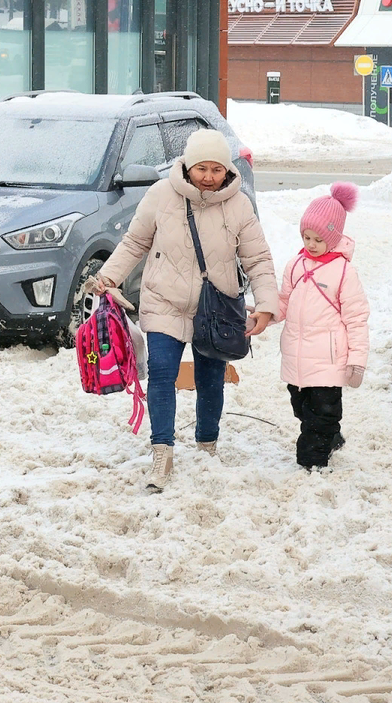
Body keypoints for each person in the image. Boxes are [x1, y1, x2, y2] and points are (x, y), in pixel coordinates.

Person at [88, 129, 279, 492]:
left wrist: (267, 306)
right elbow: (135, 242)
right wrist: (108, 277)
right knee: (161, 375)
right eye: (202, 168)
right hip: (164, 301)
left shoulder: (239, 206)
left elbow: (257, 259)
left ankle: (207, 444)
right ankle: (162, 452)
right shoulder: (161, 194)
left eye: (217, 169)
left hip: (216, 309)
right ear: (188, 166)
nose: (208, 176)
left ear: (227, 170)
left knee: (210, 380)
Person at [278, 181, 370, 470]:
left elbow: (356, 319)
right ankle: (329, 435)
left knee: (322, 413)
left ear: (332, 237)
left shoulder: (344, 272)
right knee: (302, 408)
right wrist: (263, 315)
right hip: (296, 357)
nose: (311, 244)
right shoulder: (295, 265)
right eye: (306, 237)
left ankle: (312, 461)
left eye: (318, 238)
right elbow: (282, 302)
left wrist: (357, 360)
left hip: (329, 359)